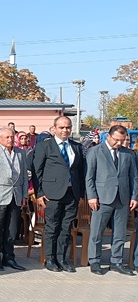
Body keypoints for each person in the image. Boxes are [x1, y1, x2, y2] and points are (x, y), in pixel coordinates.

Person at [32, 116, 85, 273]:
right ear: (54, 129)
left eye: (68, 127)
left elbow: (80, 172)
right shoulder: (45, 146)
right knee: (52, 227)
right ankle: (50, 259)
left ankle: (61, 259)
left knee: (66, 228)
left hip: (72, 194)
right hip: (52, 194)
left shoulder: (76, 147)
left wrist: (80, 193)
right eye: (61, 127)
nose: (65, 130)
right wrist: (39, 193)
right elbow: (37, 172)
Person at [85, 125, 138, 275]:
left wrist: (134, 196)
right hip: (102, 198)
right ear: (108, 136)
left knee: (120, 234)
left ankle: (116, 261)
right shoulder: (95, 151)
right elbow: (89, 176)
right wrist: (92, 196)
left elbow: (134, 177)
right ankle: (95, 261)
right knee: (96, 232)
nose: (119, 143)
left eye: (122, 140)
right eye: (116, 140)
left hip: (122, 198)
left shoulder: (128, 154)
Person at [0, 128, 29, 271]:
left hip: (15, 195)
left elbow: (24, 177)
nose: (10, 139)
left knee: (11, 230)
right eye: (7, 137)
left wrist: (24, 195)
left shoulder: (20, 153)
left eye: (12, 136)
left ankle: (9, 258)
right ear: (0, 138)